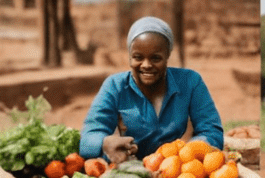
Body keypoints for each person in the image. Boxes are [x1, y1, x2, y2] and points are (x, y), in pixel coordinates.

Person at [80, 17, 222, 165]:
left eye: (156, 58)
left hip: (177, 173)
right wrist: (105, 143)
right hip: (132, 173)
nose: (146, 65)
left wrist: (186, 153)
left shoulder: (190, 82)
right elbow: (87, 139)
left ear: (167, 55)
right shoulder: (115, 86)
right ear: (129, 56)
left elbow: (212, 131)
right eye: (138, 57)